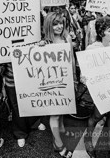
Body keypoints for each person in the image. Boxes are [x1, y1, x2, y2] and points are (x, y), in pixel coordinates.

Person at [82, 16, 110, 158]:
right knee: (97, 115)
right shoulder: (92, 48)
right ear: (101, 31)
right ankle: (88, 139)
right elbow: (85, 70)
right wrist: (84, 78)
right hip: (101, 89)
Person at [43, 12, 76, 158]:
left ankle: (61, 128)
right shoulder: (45, 43)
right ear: (49, 25)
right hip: (52, 82)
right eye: (55, 23)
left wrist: (74, 77)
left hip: (66, 78)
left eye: (61, 23)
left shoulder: (66, 38)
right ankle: (58, 144)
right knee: (55, 113)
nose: (59, 26)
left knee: (62, 106)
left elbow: (72, 60)